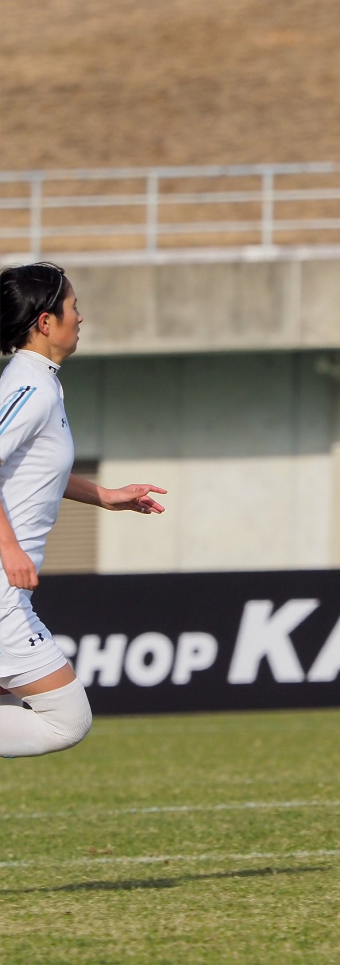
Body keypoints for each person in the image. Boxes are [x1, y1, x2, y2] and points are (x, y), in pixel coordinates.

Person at [0, 263, 166, 758]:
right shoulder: (30, 388)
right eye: (73, 307)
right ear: (45, 322)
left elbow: (33, 471)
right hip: (2, 591)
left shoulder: (42, 382)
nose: (81, 317)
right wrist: (10, 549)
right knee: (66, 721)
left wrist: (106, 496)